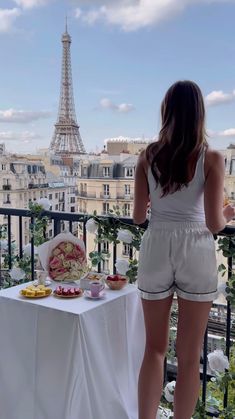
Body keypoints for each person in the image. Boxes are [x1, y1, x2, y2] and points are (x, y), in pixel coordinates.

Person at [133, 80, 235, 419]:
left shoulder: (147, 156)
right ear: (200, 114)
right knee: (190, 357)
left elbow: (137, 216)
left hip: (157, 243)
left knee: (154, 349)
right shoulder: (212, 158)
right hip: (195, 248)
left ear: (167, 112)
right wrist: (229, 213)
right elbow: (215, 224)